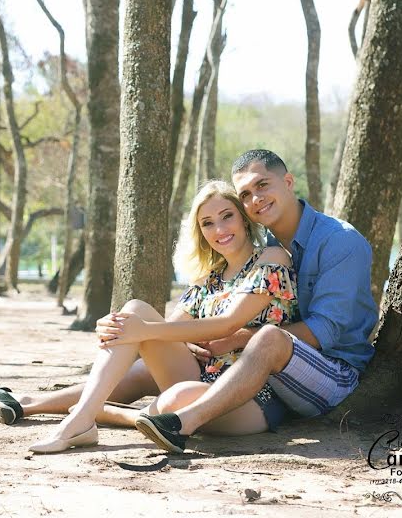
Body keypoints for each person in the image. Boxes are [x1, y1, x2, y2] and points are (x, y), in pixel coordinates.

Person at [0, 180, 298, 452]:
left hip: (251, 394)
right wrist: (123, 327)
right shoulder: (209, 278)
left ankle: (111, 414)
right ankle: (80, 419)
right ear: (200, 232)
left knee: (176, 397)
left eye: (227, 216)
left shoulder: (271, 258)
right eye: (208, 223)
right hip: (201, 373)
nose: (220, 229)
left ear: (244, 219)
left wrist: (142, 330)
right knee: (133, 310)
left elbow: (227, 323)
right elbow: (171, 330)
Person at [134, 149, 377, 452]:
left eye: (263, 185)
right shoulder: (269, 249)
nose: (255, 199)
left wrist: (237, 338)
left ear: (288, 181)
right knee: (145, 370)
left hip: (334, 372)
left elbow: (322, 333)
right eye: (245, 194)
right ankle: (77, 410)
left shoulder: (340, 240)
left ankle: (180, 424)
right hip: (269, 373)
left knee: (269, 338)